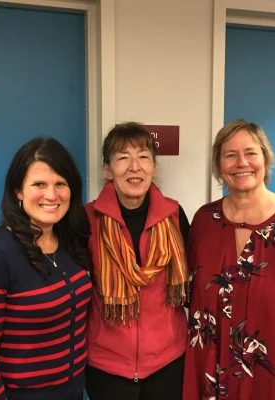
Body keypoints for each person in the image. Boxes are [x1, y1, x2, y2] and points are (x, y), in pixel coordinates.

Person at [183, 119, 275, 400]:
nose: (242, 163)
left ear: (265, 158)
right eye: (230, 155)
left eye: (250, 153)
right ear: (219, 165)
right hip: (210, 376)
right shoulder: (204, 221)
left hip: (273, 378)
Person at [0, 138, 92, 400]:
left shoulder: (71, 244)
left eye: (60, 184)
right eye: (39, 184)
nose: (51, 195)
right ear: (18, 191)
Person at [84, 122, 190, 400]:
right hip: (106, 366)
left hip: (168, 363)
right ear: (108, 170)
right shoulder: (85, 221)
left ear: (153, 167)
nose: (135, 167)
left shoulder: (175, 216)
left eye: (143, 157)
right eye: (122, 158)